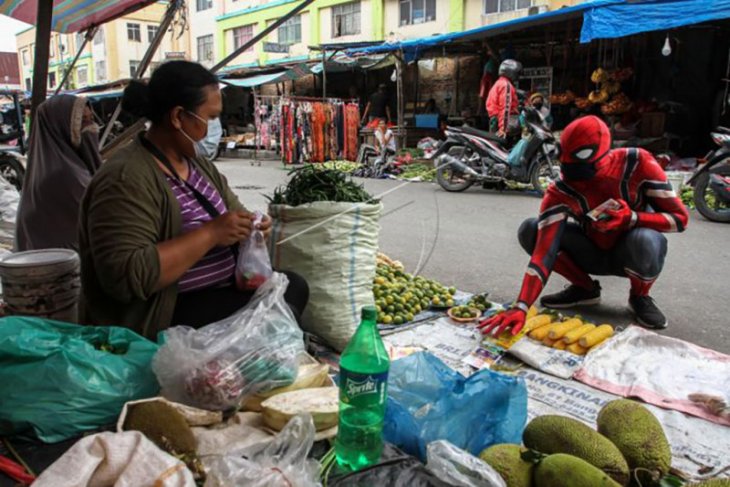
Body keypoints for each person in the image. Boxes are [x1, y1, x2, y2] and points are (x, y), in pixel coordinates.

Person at [78, 61, 308, 339]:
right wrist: (211, 234)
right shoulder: (125, 178)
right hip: (164, 312)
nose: (215, 128)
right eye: (210, 119)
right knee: (276, 313)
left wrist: (253, 225)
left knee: (293, 287)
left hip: (219, 290)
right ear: (177, 117)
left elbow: (233, 213)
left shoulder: (197, 165)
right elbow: (127, 277)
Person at [480, 116, 688, 334]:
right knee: (530, 230)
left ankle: (640, 296)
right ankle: (584, 289)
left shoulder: (637, 163)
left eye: (585, 175)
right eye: (571, 175)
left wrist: (632, 218)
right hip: (590, 249)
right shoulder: (561, 189)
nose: (580, 183)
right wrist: (521, 306)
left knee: (645, 239)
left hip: (629, 253)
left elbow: (679, 219)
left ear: (603, 158)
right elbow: (544, 252)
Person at [16, 95, 102, 251]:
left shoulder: (50, 169)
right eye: (82, 121)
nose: (92, 127)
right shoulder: (66, 176)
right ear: (61, 127)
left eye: (91, 119)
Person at [486, 59, 521, 137]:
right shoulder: (506, 85)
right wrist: (503, 128)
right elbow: (505, 107)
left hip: (495, 120)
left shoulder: (499, 82)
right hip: (502, 121)